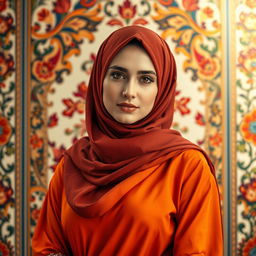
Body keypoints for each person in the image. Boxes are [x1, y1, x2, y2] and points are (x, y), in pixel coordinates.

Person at [32, 25, 223, 256]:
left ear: (161, 88)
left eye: (145, 79)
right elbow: (46, 248)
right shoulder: (72, 164)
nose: (129, 91)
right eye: (117, 75)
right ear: (99, 80)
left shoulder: (187, 166)